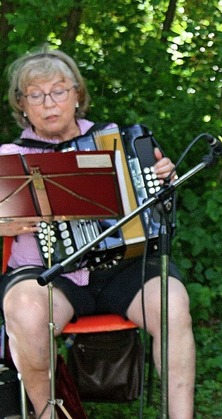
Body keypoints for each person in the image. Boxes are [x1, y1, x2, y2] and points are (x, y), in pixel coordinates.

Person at [0, 46, 195, 418]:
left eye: (59, 90)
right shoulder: (11, 155)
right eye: (36, 95)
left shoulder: (115, 140)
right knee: (23, 312)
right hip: (49, 276)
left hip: (124, 267)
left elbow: (158, 211)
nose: (49, 103)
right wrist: (6, 222)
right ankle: (47, 414)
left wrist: (163, 183)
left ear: (77, 94)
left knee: (172, 304)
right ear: (22, 105)